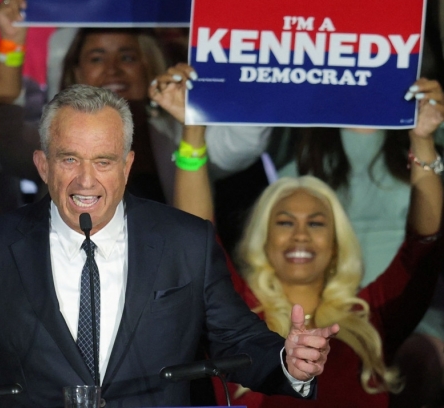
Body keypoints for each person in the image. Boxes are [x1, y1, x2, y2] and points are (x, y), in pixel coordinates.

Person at [0, 84, 338, 407]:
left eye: (103, 160)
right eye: (69, 159)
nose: (85, 180)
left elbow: (238, 345)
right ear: (42, 165)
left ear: (128, 164)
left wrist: (286, 361)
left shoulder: (185, 241)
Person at [159, 64, 444, 406]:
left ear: (338, 244)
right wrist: (193, 131)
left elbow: (423, 244)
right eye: (283, 222)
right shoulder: (235, 316)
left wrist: (422, 139)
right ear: (261, 240)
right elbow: (196, 236)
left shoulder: (372, 320)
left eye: (316, 223)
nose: (300, 235)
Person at [0, 0, 271, 204]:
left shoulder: (178, 133)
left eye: (128, 57)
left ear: (149, 67)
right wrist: (11, 41)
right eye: (97, 58)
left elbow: (245, 141)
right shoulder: (55, 138)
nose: (113, 68)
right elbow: (3, 137)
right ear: (76, 72)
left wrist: (198, 111)